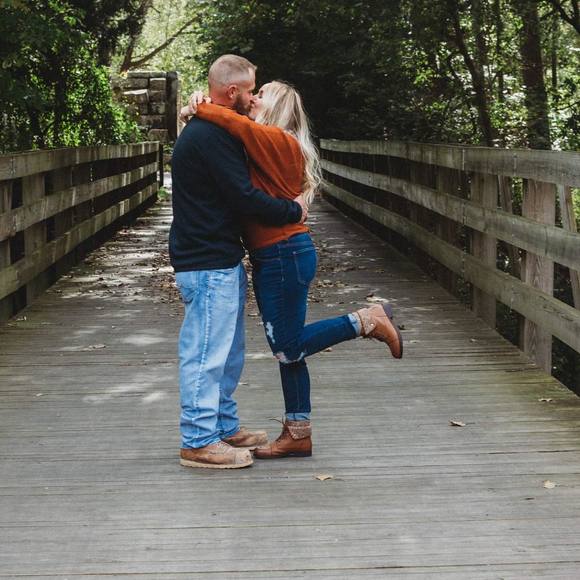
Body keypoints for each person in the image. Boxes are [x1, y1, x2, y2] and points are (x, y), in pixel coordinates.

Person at [181, 79, 403, 459]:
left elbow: (235, 124)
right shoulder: (266, 144)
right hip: (279, 255)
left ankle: (366, 320)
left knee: (288, 345)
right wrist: (194, 113)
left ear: (277, 107)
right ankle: (298, 433)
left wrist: (199, 106)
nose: (253, 98)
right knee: (290, 348)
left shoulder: (278, 141)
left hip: (283, 255)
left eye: (261, 94)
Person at [170, 55, 309, 470]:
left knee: (228, 354)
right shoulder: (210, 135)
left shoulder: (215, 128)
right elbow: (244, 197)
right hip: (206, 259)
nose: (252, 98)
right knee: (206, 354)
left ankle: (223, 426)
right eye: (250, 90)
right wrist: (293, 210)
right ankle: (198, 440)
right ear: (233, 92)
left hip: (220, 256)